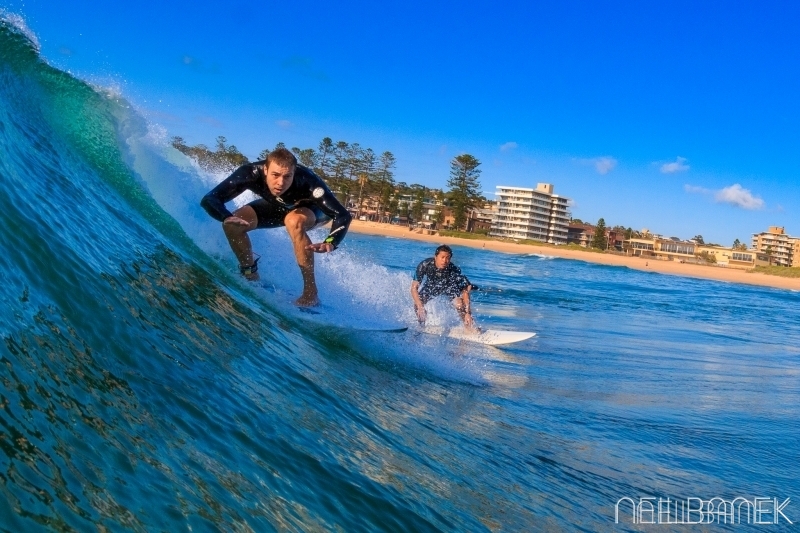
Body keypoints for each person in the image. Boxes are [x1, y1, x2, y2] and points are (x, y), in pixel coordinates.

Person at [200, 148, 351, 307]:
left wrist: (331, 241)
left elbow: (342, 215)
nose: (280, 182)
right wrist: (226, 217)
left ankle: (311, 294)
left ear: (294, 172)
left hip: (313, 210)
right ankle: (250, 274)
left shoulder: (308, 182)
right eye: (275, 175)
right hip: (279, 206)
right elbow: (209, 199)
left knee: (293, 221)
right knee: (233, 224)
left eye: (287, 176)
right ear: (265, 169)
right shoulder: (249, 173)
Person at [410, 245, 476, 330]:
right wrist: (420, 306)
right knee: (417, 304)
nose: (445, 261)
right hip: (432, 287)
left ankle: (469, 327)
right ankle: (421, 326)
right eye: (442, 257)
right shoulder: (424, 265)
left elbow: (465, 291)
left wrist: (468, 313)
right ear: (435, 257)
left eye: (447, 258)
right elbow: (413, 288)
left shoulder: (453, 270)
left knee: (460, 304)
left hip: (449, 288)